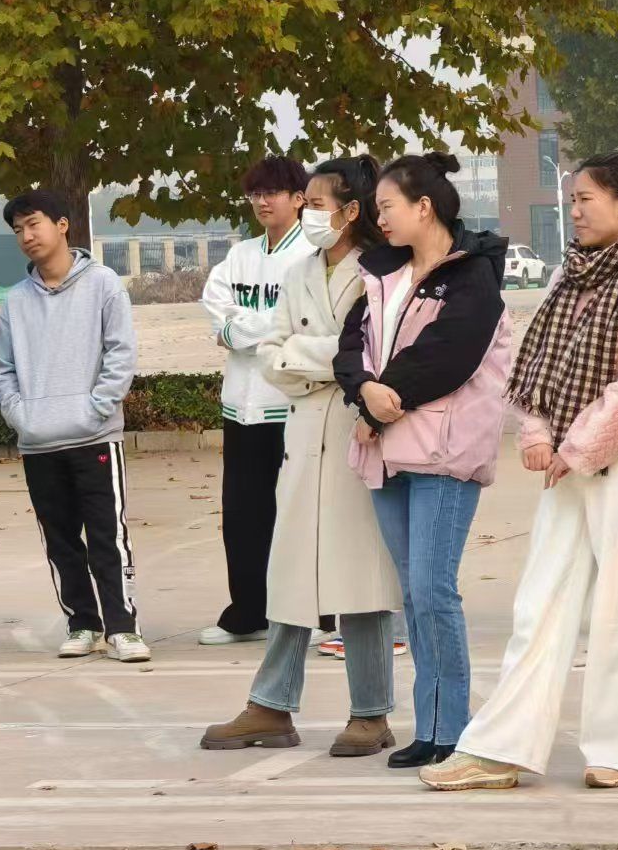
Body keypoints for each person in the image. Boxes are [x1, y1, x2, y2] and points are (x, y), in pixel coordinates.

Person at [422, 152, 618, 791]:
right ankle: (501, 748)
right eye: (572, 200)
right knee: (539, 602)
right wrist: (539, 434)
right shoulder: (569, 274)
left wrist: (574, 449)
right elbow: (537, 362)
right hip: (568, 464)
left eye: (586, 199)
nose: (576, 211)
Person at [200, 158, 404, 755]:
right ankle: (270, 705)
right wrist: (328, 360)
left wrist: (312, 357)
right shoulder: (299, 271)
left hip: (359, 433)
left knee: (361, 577)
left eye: (317, 204)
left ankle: (371, 713)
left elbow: (372, 354)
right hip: (304, 434)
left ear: (350, 211)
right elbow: (273, 355)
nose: (309, 214)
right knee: (289, 572)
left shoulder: (380, 274)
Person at [334, 152, 511, 768]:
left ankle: (451, 729)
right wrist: (363, 389)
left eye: (387, 207)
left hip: (443, 452)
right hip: (388, 454)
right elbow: (351, 345)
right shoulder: (383, 273)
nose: (379, 219)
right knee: (413, 594)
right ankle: (432, 725)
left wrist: (384, 400)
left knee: (434, 591)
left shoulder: (471, 275)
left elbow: (449, 353)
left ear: (424, 207)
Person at [0, 188, 147, 663]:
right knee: (60, 542)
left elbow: (121, 353)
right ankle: (83, 623)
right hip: (38, 442)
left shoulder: (103, 283)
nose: (26, 235)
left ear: (62, 225)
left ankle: (122, 627)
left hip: (94, 436)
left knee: (107, 537)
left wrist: (96, 409)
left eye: (34, 223)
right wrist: (22, 416)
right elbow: (4, 370)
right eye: (18, 229)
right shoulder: (15, 301)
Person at [197, 155, 313, 646]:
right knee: (242, 513)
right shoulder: (239, 255)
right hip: (240, 406)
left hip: (290, 404)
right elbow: (216, 311)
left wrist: (244, 330)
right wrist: (257, 331)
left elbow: (299, 322)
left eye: (272, 193)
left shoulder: (310, 255)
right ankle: (248, 612)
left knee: (297, 513)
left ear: (299, 198)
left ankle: (309, 614)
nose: (262, 202)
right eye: (255, 194)